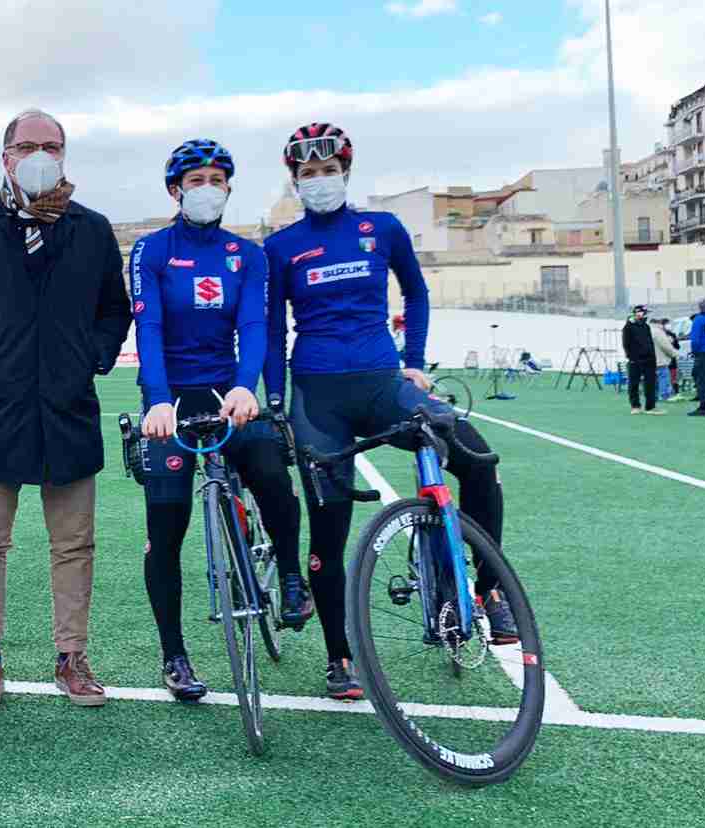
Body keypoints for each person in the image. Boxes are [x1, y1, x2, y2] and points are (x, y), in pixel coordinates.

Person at [261, 123, 517, 700]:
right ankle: (339, 656)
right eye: (308, 174)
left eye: (328, 171)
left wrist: (416, 359)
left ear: (346, 173)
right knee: (328, 529)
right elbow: (272, 330)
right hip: (317, 395)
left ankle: (486, 589)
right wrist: (277, 402)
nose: (319, 181)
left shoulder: (384, 229)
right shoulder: (280, 248)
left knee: (476, 456)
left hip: (383, 383)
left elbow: (418, 292)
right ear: (295, 182)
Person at [0, 108, 133, 712]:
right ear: (5, 156)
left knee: (74, 542)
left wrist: (91, 356)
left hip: (68, 409)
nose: (39, 154)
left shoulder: (92, 231)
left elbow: (113, 309)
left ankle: (72, 657)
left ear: (65, 154)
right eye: (27, 145)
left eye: (52, 145)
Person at [127, 139, 305, 701]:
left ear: (228, 186)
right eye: (195, 179)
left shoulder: (247, 255)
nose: (208, 188)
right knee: (167, 523)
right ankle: (174, 654)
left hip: (226, 389)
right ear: (176, 190)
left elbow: (254, 326)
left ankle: (294, 574)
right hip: (170, 398)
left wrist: (244, 390)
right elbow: (148, 328)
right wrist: (157, 398)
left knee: (271, 469)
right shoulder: (152, 250)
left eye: (216, 179)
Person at [621, 305, 659, 414]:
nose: (646, 315)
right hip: (635, 361)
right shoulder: (628, 327)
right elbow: (626, 344)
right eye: (644, 313)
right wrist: (631, 358)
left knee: (650, 384)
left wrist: (653, 358)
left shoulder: (646, 326)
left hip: (649, 360)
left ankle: (650, 407)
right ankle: (635, 406)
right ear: (638, 313)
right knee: (634, 384)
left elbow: (650, 344)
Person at [651, 314, 678, 402]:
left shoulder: (646, 330)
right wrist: (674, 354)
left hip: (648, 360)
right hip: (660, 359)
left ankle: (653, 396)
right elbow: (665, 346)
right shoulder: (658, 331)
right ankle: (664, 394)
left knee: (652, 379)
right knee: (663, 377)